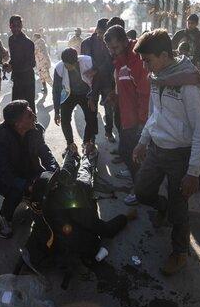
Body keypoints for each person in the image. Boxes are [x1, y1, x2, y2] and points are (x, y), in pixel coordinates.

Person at [131, 29, 200, 275]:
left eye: (148, 60)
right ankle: (161, 206)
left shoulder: (188, 86)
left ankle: (180, 253)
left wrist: (193, 172)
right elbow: (155, 115)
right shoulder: (159, 78)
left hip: (180, 156)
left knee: (179, 209)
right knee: (142, 191)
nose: (145, 67)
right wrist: (143, 141)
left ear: (164, 55)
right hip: (156, 149)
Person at [22, 145, 136, 284]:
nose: (58, 184)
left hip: (55, 235)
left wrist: (71, 155)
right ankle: (88, 156)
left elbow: (64, 173)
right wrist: (126, 217)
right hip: (75, 242)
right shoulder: (73, 208)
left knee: (75, 175)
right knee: (84, 179)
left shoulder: (39, 206)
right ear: (54, 189)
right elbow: (106, 229)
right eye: (55, 184)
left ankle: (81, 155)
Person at [0, 100, 58, 238]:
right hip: (7, 178)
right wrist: (27, 186)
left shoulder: (36, 129)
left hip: (30, 169)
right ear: (18, 124)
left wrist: (54, 169)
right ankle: (2, 216)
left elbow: (45, 152)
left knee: (50, 184)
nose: (34, 117)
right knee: (16, 191)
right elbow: (4, 172)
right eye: (30, 116)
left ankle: (31, 197)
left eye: (32, 113)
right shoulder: (0, 137)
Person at [103, 25, 150, 197]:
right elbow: (125, 84)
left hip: (138, 119)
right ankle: (134, 176)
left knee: (130, 152)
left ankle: (140, 190)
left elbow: (144, 94)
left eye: (115, 48)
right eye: (110, 49)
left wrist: (142, 123)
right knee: (129, 152)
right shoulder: (120, 58)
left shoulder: (137, 59)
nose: (112, 52)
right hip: (126, 115)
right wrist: (115, 96)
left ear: (125, 41)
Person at [53, 48, 96, 152]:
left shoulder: (88, 61)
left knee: (91, 117)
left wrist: (93, 97)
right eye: (67, 64)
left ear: (77, 60)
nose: (69, 67)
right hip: (69, 95)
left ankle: (87, 141)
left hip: (86, 94)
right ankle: (70, 143)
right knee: (65, 120)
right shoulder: (59, 68)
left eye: (72, 64)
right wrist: (56, 111)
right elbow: (56, 90)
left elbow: (97, 80)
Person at [82, 18, 116, 142]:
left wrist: (97, 70)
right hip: (92, 83)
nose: (102, 35)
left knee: (109, 109)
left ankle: (109, 132)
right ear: (96, 29)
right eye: (101, 32)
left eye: (105, 33)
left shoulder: (111, 43)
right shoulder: (86, 43)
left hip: (107, 81)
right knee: (91, 110)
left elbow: (111, 61)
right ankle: (92, 137)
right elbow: (84, 61)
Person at [8, 15, 37, 113]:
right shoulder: (11, 40)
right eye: (13, 26)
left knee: (29, 107)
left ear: (21, 26)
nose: (16, 28)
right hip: (17, 79)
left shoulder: (28, 42)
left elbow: (32, 63)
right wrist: (8, 64)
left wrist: (13, 67)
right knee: (16, 108)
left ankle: (32, 127)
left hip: (27, 79)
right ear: (10, 26)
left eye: (18, 25)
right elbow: (14, 59)